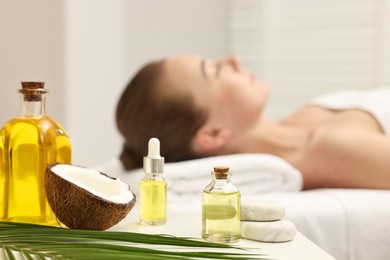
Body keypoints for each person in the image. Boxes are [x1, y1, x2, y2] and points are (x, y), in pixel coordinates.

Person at [116, 54, 390, 190]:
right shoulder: (331, 151)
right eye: (215, 69)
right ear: (212, 133)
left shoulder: (300, 122)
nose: (233, 60)